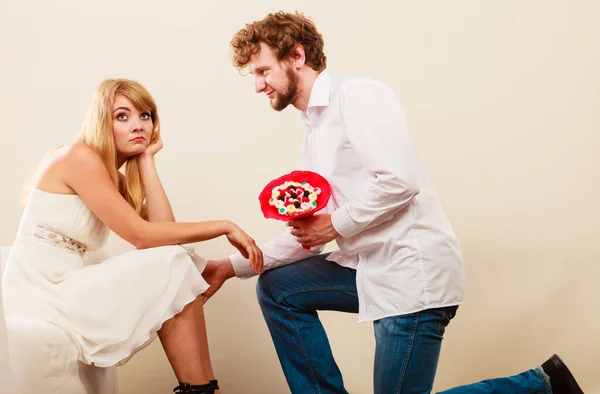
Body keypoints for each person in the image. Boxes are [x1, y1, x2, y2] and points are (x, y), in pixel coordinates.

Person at [200, 11, 584, 394]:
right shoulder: (313, 133)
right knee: (277, 288)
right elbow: (312, 235)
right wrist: (231, 266)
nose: (257, 85)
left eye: (263, 71)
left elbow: (400, 181)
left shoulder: (358, 97)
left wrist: (334, 225)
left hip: (411, 275)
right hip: (369, 271)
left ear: (297, 56)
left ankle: (542, 386)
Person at [1, 79, 264, 394]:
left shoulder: (116, 179)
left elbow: (167, 240)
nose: (138, 125)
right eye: (122, 116)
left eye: (146, 115)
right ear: (103, 121)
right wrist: (224, 225)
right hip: (42, 295)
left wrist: (146, 161)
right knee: (173, 264)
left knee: (175, 263)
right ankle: (204, 391)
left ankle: (204, 390)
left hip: (68, 285)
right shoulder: (78, 157)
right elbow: (144, 237)